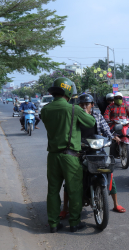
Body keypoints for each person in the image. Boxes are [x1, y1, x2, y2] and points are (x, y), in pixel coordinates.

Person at [41, 77, 96, 233]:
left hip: (52, 156)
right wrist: (85, 111)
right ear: (68, 91)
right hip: (70, 157)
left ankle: (53, 223)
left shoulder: (45, 109)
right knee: (74, 190)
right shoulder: (74, 109)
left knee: (53, 190)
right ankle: (74, 223)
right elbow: (91, 123)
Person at [59, 94, 126, 217]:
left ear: (92, 105)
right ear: (78, 106)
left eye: (87, 104)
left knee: (109, 172)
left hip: (97, 149)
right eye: (82, 105)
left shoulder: (97, 116)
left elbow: (106, 129)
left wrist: (112, 137)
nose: (84, 107)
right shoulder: (75, 117)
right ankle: (65, 208)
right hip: (80, 150)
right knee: (71, 177)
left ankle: (115, 204)